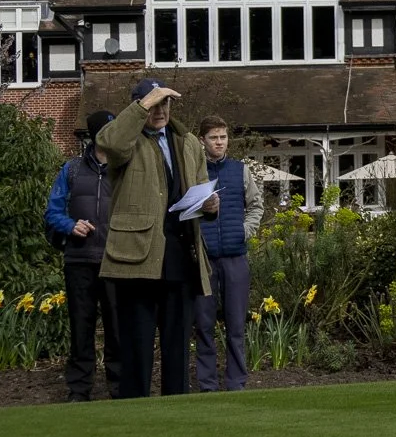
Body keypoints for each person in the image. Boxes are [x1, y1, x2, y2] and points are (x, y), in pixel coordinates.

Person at [98, 79, 215, 399]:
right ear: (141, 105)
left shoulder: (188, 142)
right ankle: (134, 411)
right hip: (136, 255)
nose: (161, 111)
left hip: (180, 251)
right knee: (136, 343)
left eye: (166, 103)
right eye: (154, 104)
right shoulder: (126, 141)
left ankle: (176, 410)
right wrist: (142, 105)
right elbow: (108, 141)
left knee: (178, 344)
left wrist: (210, 205)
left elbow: (201, 185)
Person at [45, 110, 121, 401]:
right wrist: (70, 225)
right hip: (79, 261)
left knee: (117, 329)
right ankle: (79, 390)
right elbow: (52, 213)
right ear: (97, 135)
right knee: (81, 328)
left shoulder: (124, 167)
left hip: (115, 260)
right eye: (108, 130)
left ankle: (119, 387)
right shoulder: (72, 169)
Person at [191, 117, 264, 393]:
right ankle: (208, 384)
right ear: (202, 141)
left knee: (236, 325)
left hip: (235, 258)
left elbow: (257, 206)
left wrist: (244, 231)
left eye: (223, 137)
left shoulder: (239, 170)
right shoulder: (194, 172)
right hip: (204, 260)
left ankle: (236, 383)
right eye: (213, 137)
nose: (219, 142)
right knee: (204, 326)